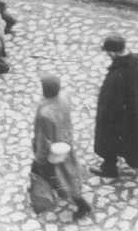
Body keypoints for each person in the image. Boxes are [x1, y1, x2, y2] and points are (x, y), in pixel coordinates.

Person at [91, 35, 138, 178]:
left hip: (122, 117)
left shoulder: (117, 75)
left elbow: (110, 104)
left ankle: (109, 169)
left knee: (109, 141)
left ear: (113, 53)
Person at [31, 75, 92, 220]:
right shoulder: (64, 97)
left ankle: (81, 204)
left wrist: (40, 157)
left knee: (62, 175)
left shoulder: (44, 112)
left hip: (54, 151)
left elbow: (43, 139)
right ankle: (60, 190)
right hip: (66, 142)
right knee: (67, 171)